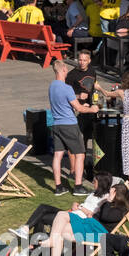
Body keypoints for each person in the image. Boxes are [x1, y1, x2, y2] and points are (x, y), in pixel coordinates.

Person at [49, 59, 86, 194]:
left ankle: (58, 187)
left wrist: (76, 97)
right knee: (80, 154)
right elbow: (79, 109)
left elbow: (64, 100)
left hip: (56, 124)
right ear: (63, 70)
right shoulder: (67, 88)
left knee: (58, 155)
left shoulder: (52, 86)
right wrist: (92, 109)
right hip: (69, 125)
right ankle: (78, 186)